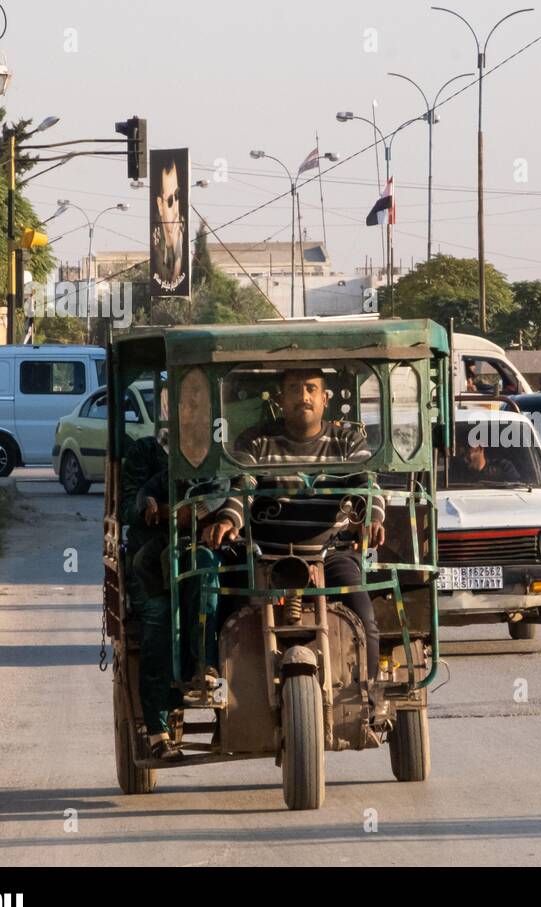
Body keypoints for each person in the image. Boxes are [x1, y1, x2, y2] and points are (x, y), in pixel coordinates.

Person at [209, 367, 386, 682]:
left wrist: (372, 518)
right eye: (293, 389)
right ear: (280, 398)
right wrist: (228, 519)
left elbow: (367, 484)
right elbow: (242, 486)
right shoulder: (257, 441)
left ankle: (369, 696)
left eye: (310, 389)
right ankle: (221, 687)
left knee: (365, 618)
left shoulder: (347, 441)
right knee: (227, 615)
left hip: (330, 555)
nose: (303, 397)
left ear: (324, 398)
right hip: (264, 557)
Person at [122, 386, 229, 761]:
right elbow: (133, 507)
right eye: (182, 404)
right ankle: (158, 728)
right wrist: (163, 511)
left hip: (200, 554)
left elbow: (227, 494)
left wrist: (203, 516)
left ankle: (211, 677)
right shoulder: (145, 453)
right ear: (169, 409)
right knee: (159, 619)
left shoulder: (217, 457)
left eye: (198, 405)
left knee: (227, 600)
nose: (190, 412)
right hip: (150, 564)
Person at [151, 158, 186, 291]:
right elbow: (167, 284)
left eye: (177, 196)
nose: (176, 208)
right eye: (170, 201)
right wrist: (178, 259)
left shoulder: (184, 230)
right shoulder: (156, 241)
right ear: (160, 206)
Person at [450, 440, 523, 485]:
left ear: (480, 448)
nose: (464, 458)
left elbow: (517, 487)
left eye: (467, 451)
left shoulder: (504, 467)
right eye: (462, 453)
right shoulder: (458, 472)